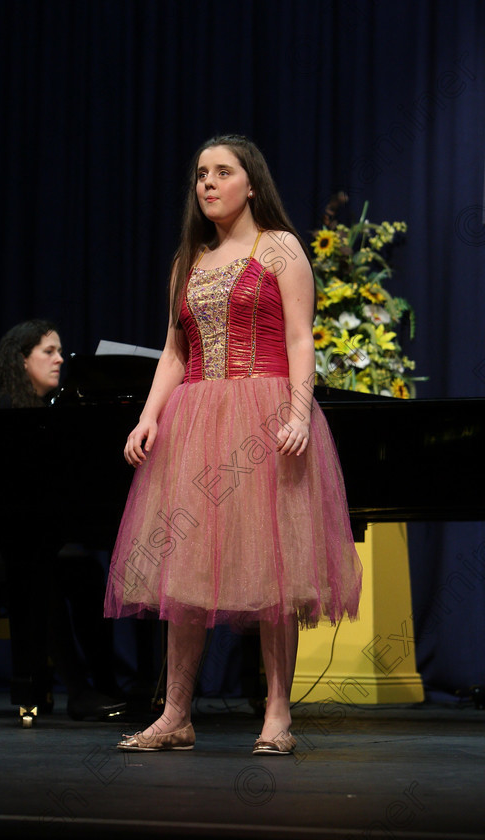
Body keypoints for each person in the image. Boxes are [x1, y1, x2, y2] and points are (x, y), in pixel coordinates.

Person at [104, 135, 362, 754]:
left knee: (276, 566)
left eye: (223, 172)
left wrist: (299, 413)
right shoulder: (188, 260)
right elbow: (174, 351)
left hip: (265, 414)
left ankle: (277, 715)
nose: (208, 184)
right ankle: (175, 714)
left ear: (253, 183)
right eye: (200, 175)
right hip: (195, 419)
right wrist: (147, 418)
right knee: (184, 567)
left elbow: (302, 340)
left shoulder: (281, 248)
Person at [0, 319, 125, 720]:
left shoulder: (43, 414)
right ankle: (75, 692)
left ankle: (107, 686)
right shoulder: (6, 409)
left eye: (60, 351)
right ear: (21, 360)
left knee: (84, 575)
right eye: (49, 351)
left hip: (2, 533)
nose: (60, 359)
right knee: (38, 574)